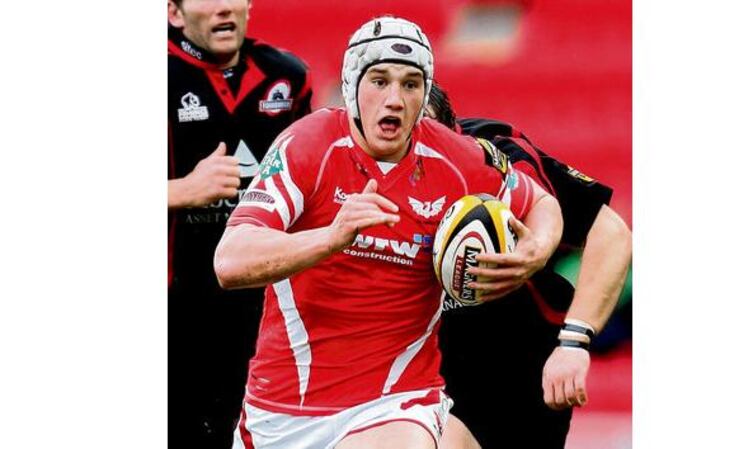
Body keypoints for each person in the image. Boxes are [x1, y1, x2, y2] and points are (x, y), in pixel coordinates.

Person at [213, 16, 563, 449]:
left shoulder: (456, 159)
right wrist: (330, 237)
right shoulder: (307, 145)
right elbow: (230, 261)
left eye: (411, 84)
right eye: (379, 81)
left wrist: (537, 249)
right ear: (351, 86)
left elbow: (542, 204)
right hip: (282, 411)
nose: (395, 99)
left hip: (395, 403)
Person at [426, 82, 632, 449]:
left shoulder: (498, 156)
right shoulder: (354, 172)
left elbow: (612, 234)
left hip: (516, 365)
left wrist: (574, 342)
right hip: (422, 369)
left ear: (452, 132)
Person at [167, 0, 312, 447]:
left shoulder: (287, 74)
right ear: (174, 13)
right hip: (176, 304)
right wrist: (183, 190)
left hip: (259, 300)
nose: (224, 6)